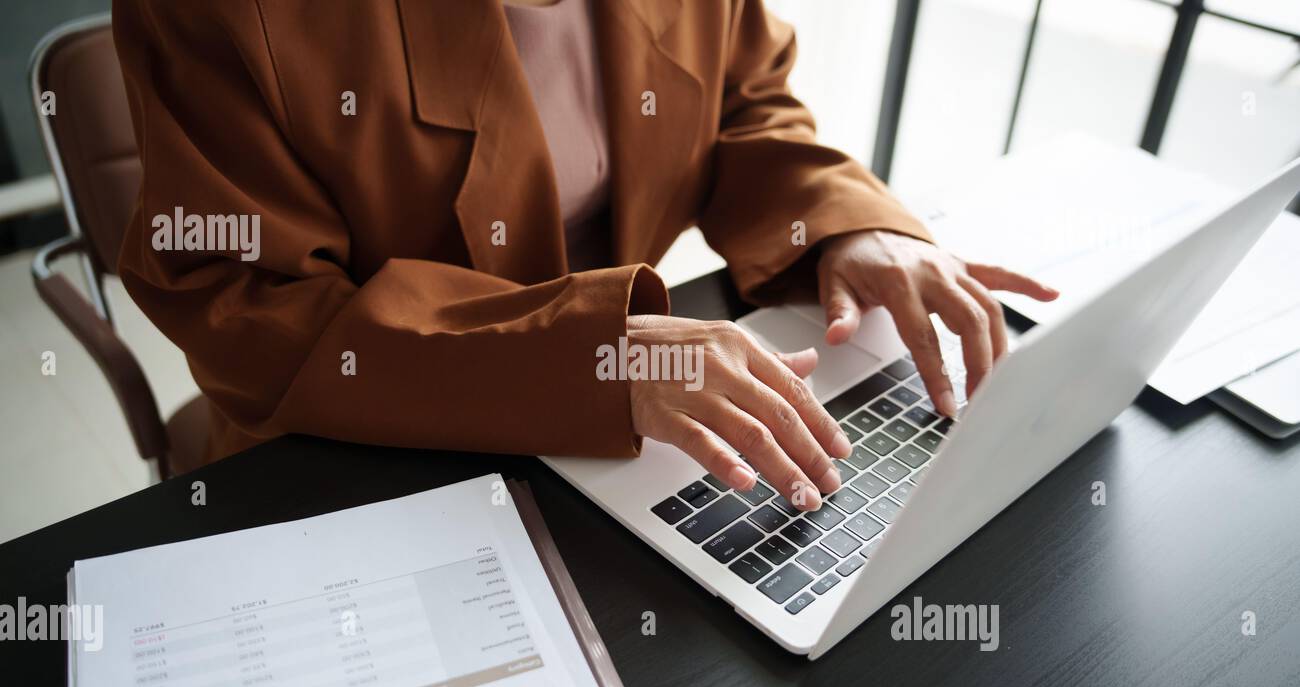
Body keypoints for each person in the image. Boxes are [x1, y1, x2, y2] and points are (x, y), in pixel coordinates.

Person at [113, 0, 1056, 511]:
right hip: (362, 453)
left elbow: (742, 106)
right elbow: (248, 303)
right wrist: (598, 360)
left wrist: (845, 220)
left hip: (637, 449)